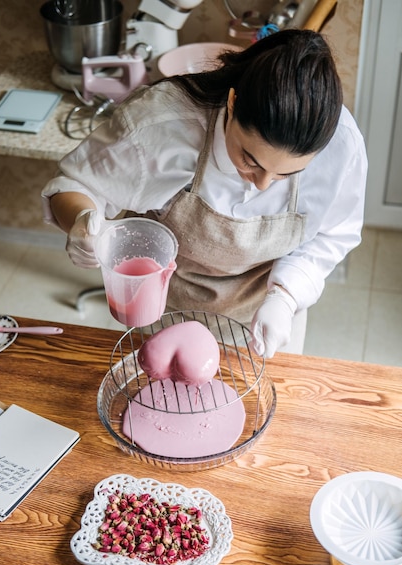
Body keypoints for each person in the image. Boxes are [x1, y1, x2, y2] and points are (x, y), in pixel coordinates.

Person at [41, 29, 367, 358]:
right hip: (163, 312)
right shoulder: (162, 122)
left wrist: (284, 297)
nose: (263, 184)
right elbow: (76, 185)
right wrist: (83, 221)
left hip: (265, 319)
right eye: (250, 160)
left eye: (287, 173)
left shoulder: (341, 148)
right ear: (232, 102)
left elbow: (334, 235)